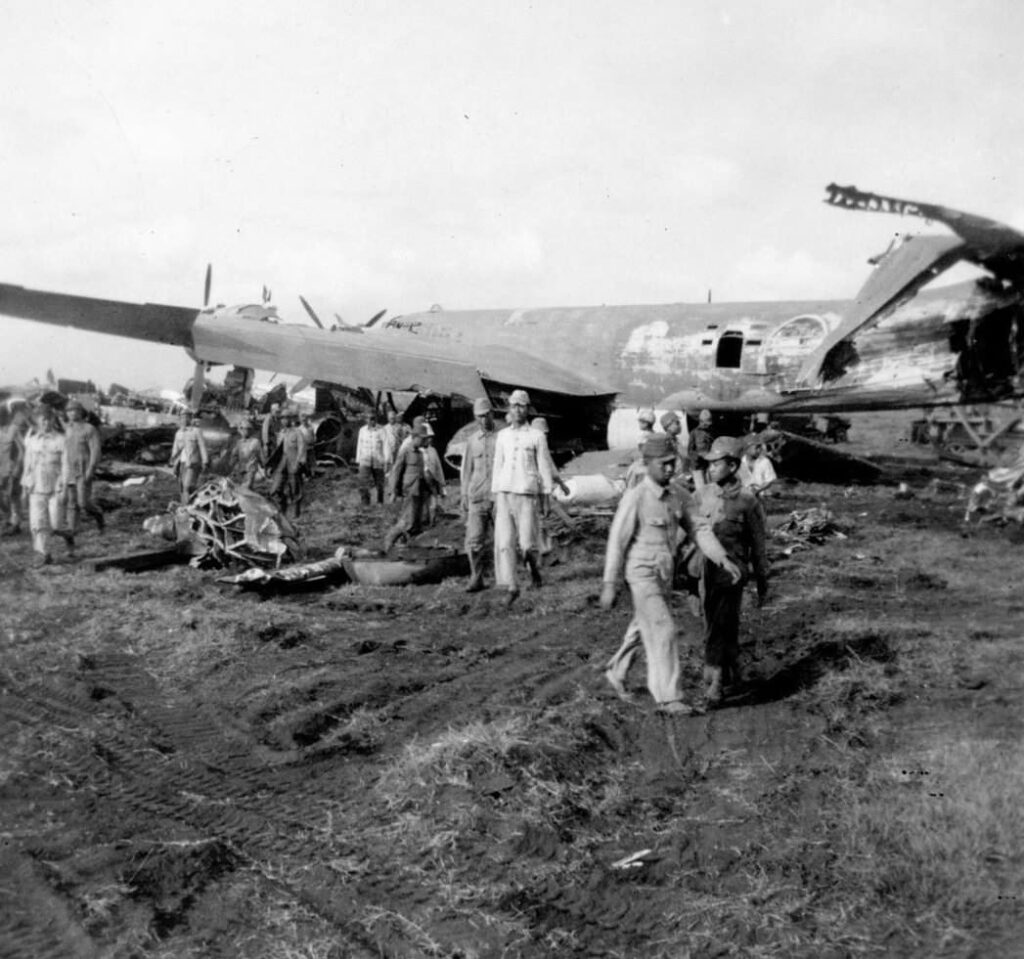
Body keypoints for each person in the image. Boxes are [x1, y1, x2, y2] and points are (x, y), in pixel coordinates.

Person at [600, 434, 740, 713]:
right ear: (647, 464)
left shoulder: (680, 495)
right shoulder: (636, 497)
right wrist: (609, 583)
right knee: (662, 628)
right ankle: (669, 697)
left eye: (672, 462)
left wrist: (721, 557)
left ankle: (616, 671)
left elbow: (699, 528)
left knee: (644, 625)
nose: (669, 468)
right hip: (640, 574)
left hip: (664, 573)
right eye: (662, 464)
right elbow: (617, 540)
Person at [695, 436, 770, 706]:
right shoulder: (701, 494)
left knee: (720, 624)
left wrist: (762, 578)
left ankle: (715, 681)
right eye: (709, 463)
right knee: (713, 623)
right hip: (704, 574)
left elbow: (759, 545)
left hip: (732, 574)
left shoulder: (748, 502)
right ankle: (732, 666)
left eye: (716, 463)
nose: (710, 468)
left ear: (732, 465)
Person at [490, 389, 555, 607]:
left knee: (527, 544)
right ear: (509, 408)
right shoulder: (503, 436)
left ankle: (534, 571)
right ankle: (512, 586)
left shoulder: (536, 436)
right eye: (514, 406)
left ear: (527, 409)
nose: (517, 410)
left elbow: (544, 467)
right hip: (505, 492)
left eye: (522, 406)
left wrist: (546, 496)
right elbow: (497, 466)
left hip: (526, 493)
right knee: (505, 542)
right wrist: (495, 495)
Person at [21, 406, 73, 565]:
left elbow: (66, 465)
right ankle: (44, 554)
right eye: (43, 420)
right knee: (37, 522)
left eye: (49, 419)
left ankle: (67, 535)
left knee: (55, 525)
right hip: (36, 485)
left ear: (53, 420)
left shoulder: (61, 440)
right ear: (37, 422)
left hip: (55, 485)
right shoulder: (32, 440)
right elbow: (27, 464)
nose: (46, 423)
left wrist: (65, 487)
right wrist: (24, 486)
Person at [383, 423, 440, 552]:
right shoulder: (406, 451)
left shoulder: (420, 454)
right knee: (406, 521)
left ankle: (408, 548)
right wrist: (393, 491)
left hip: (419, 491)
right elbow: (396, 471)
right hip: (409, 491)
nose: (425, 440)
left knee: (416, 522)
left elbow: (422, 473)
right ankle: (389, 543)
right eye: (422, 438)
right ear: (415, 437)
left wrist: (432, 490)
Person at [461, 398, 498, 592]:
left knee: (502, 540)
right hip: (477, 496)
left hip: (498, 496)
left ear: (492, 414)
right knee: (473, 541)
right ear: (475, 417)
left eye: (486, 415)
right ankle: (477, 577)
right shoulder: (472, 441)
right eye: (479, 416)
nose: (483, 419)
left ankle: (506, 578)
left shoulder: (502, 438)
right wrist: (464, 496)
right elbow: (466, 470)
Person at [62, 400, 105, 534]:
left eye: (75, 410)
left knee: (83, 503)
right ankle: (72, 529)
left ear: (81, 412)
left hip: (84, 469)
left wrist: (91, 470)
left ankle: (99, 515)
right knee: (72, 502)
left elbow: (95, 451)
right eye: (69, 411)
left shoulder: (89, 429)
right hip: (70, 470)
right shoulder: (68, 429)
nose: (72, 413)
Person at [271, 408, 308, 517]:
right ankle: (282, 511)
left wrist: (299, 462)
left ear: (291, 419)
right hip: (282, 464)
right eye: (282, 418)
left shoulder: (297, 432)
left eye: (286, 418)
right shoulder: (281, 433)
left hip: (293, 463)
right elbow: (277, 451)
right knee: (275, 489)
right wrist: (272, 466)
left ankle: (295, 515)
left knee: (295, 489)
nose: (284, 420)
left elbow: (302, 448)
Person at [170, 411, 209, 504]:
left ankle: (187, 506)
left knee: (187, 485)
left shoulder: (196, 431)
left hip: (193, 463)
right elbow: (175, 449)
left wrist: (205, 461)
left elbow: (202, 446)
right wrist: (173, 463)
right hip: (181, 463)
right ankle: (184, 505)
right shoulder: (178, 433)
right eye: (182, 417)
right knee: (182, 486)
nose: (184, 420)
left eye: (186, 417)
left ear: (190, 418)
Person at [0, 406, 28, 535]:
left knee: (12, 495)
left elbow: (22, 449)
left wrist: (18, 466)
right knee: (2, 497)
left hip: (11, 467)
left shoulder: (13, 429)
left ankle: (15, 523)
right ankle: (8, 517)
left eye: (3, 416)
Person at [355, 411, 386, 506]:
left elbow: (386, 445)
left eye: (373, 418)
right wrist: (358, 459)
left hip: (378, 460)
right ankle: (365, 502)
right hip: (365, 459)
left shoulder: (382, 430)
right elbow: (359, 445)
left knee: (379, 483)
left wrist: (386, 460)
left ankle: (380, 501)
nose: (372, 421)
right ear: (366, 420)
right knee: (363, 482)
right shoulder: (362, 430)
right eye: (369, 419)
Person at [420, 422, 447, 524]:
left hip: (433, 483)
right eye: (427, 437)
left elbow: (439, 469)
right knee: (423, 505)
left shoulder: (433, 451)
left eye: (431, 437)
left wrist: (442, 484)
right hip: (422, 483)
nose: (430, 439)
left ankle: (432, 521)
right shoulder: (418, 452)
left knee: (433, 504)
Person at [231, 420, 264, 489]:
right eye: (243, 429)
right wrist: (231, 465)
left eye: (247, 429)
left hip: (250, 470)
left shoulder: (255, 442)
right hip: (240, 469)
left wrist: (264, 466)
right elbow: (234, 456)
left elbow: (261, 455)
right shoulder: (239, 443)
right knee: (239, 489)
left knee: (246, 488)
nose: (245, 431)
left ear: (251, 430)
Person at [687, 409, 715, 489]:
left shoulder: (710, 432)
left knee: (711, 488)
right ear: (701, 422)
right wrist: (699, 455)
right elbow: (690, 451)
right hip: (697, 467)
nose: (708, 425)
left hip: (708, 465)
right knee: (701, 489)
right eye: (705, 423)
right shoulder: (694, 433)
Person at [382, 409, 406, 475]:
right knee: (387, 468)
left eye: (393, 418)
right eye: (390, 418)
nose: (391, 420)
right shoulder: (384, 428)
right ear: (388, 418)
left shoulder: (400, 427)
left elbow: (403, 439)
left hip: (397, 449)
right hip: (388, 451)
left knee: (397, 468)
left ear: (395, 418)